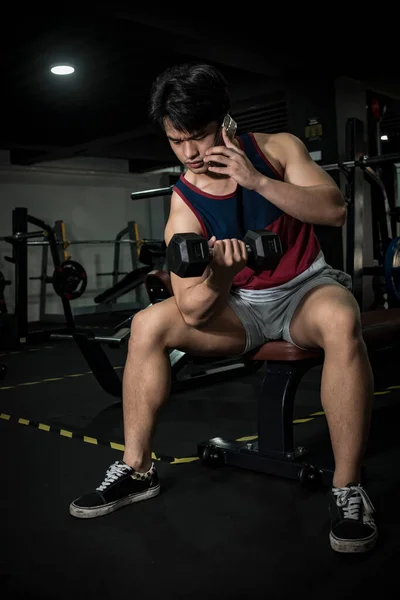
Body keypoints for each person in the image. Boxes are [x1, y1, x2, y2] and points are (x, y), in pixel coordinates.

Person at [69, 62, 377, 554]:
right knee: (148, 323)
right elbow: (192, 309)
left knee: (343, 319)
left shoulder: (277, 149)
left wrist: (257, 182)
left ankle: (347, 488)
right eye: (176, 141)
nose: (190, 152)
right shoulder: (184, 201)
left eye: (200, 136)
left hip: (305, 290)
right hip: (242, 307)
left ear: (226, 122)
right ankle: (137, 468)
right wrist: (225, 273)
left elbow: (335, 209)